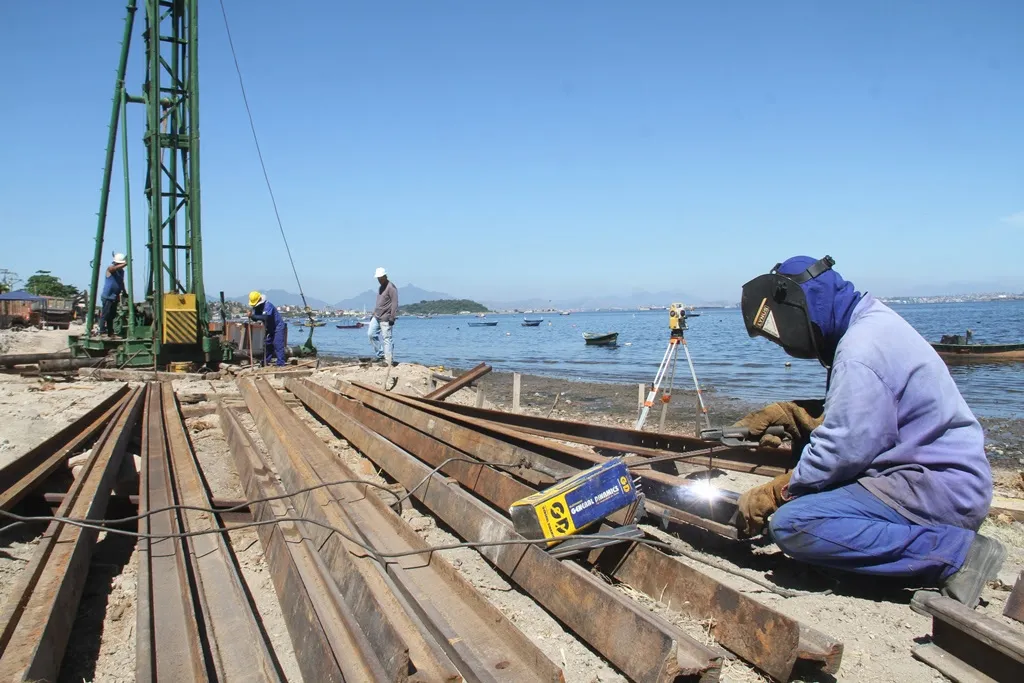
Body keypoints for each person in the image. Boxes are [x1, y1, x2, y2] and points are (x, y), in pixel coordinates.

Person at [735, 255, 1003, 608]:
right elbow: (874, 409)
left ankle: (955, 555)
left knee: (793, 524)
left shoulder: (859, 351)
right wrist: (797, 414)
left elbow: (845, 450)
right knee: (808, 487)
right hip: (935, 479)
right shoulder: (872, 322)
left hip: (935, 488)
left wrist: (778, 490)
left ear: (796, 308)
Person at [368, 267, 398, 366]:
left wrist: (392, 317)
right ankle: (380, 355)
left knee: (387, 338)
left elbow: (394, 303)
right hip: (376, 316)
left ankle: (388, 360)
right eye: (378, 278)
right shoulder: (381, 287)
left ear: (385, 276)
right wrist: (373, 314)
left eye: (380, 278)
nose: (379, 280)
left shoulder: (391, 287)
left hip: (386, 317)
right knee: (371, 334)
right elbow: (379, 302)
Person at [248, 291, 286, 367]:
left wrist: (252, 316)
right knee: (267, 344)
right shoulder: (257, 308)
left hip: (278, 327)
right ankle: (265, 361)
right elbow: (256, 318)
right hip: (269, 328)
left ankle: (280, 363)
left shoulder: (268, 306)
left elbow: (265, 317)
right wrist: (252, 316)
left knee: (278, 345)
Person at [100, 253, 127, 337]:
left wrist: (124, 292)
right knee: (105, 314)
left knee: (111, 316)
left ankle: (110, 332)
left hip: (115, 297)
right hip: (108, 296)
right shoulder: (110, 269)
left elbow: (121, 282)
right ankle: (101, 331)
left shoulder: (121, 272)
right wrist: (125, 263)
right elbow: (112, 269)